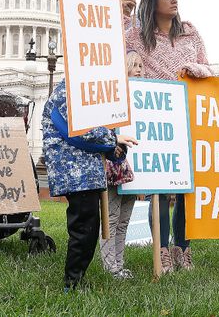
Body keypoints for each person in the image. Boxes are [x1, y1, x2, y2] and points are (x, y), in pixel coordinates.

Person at [122, 0, 212, 273]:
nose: (174, 0)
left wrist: (193, 70)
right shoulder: (137, 35)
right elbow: (114, 49)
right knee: (159, 187)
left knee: (186, 188)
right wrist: (124, 13)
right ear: (153, 1)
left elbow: (207, 67)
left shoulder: (190, 31)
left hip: (187, 116)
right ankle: (161, 249)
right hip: (155, 117)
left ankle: (183, 249)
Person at [42, 79, 137, 290]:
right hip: (73, 171)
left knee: (90, 228)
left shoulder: (81, 91)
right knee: (83, 228)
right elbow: (78, 130)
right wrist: (114, 137)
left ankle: (77, 279)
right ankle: (72, 283)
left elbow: (90, 136)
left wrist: (113, 149)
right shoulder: (66, 90)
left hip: (86, 172)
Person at [99, 50, 144, 279]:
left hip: (134, 168)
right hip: (114, 164)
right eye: (133, 65)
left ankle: (119, 263)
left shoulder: (145, 99)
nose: (138, 69)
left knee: (124, 220)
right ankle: (110, 267)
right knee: (112, 218)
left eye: (140, 65)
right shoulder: (111, 96)